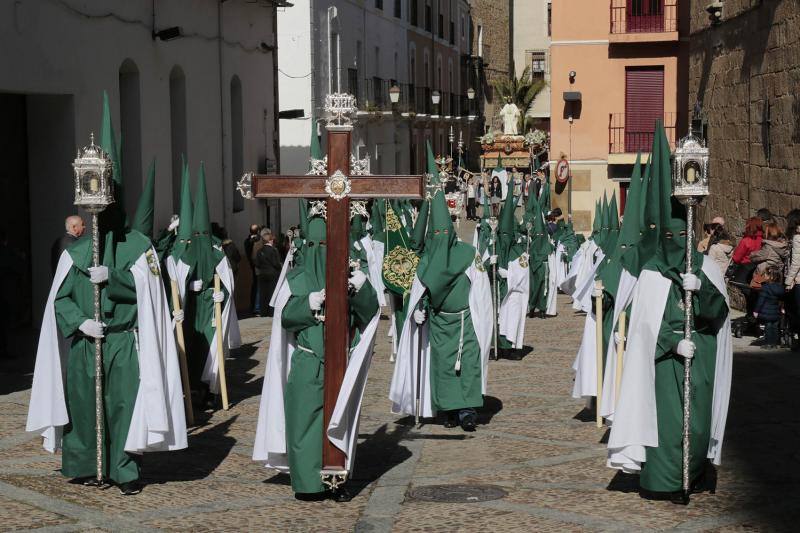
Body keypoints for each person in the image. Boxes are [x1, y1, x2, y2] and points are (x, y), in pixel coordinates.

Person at [27, 96, 186, 495]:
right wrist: (80, 321)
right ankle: (82, 463)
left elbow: (151, 295)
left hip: (121, 341)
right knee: (83, 404)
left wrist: (113, 278)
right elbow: (59, 299)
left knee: (122, 406)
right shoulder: (74, 252)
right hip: (87, 340)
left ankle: (122, 469)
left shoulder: (138, 246)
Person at [608, 126, 732, 502]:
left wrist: (702, 288)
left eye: (684, 239)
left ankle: (692, 476)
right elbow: (644, 329)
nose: (677, 247)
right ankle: (664, 482)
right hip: (665, 364)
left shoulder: (707, 269)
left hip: (703, 357)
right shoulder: (651, 276)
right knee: (666, 425)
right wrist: (674, 342)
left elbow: (720, 314)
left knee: (695, 423)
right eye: (671, 239)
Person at [253, 203, 380, 502]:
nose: (321, 251)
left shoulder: (351, 273)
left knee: (339, 422)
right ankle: (309, 483)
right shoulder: (296, 278)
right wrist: (310, 301)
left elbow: (368, 314)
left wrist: (360, 288)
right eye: (316, 245)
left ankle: (337, 480)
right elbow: (285, 317)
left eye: (327, 246)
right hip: (309, 360)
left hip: (341, 362)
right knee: (305, 422)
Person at [390, 189, 492, 431]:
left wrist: (481, 317)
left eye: (444, 232)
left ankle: (467, 411)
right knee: (443, 367)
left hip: (466, 318)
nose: (441, 236)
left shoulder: (468, 254)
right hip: (439, 322)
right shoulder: (426, 260)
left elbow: (480, 288)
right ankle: (446, 409)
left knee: (468, 364)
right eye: (436, 232)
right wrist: (417, 311)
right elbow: (419, 293)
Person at [754, 266, 784, 349]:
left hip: (766, 311)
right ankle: (774, 343)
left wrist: (756, 311)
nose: (764, 276)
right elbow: (782, 299)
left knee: (768, 327)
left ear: (771, 276)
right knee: (775, 327)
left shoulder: (765, 288)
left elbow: (761, 300)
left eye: (766, 274)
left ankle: (768, 343)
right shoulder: (781, 288)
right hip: (776, 311)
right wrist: (782, 308)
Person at [254, 228, 282, 317]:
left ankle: (263, 311)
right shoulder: (274, 250)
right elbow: (276, 263)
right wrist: (279, 268)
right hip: (272, 274)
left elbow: (257, 263)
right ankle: (271, 312)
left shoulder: (259, 251)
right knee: (272, 292)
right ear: (270, 240)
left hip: (262, 274)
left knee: (263, 293)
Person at [244, 224, 260, 314]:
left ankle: (253, 304)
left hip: (252, 264)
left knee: (255, 285)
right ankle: (256, 306)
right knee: (257, 285)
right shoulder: (256, 240)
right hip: (257, 265)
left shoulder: (246, 241)